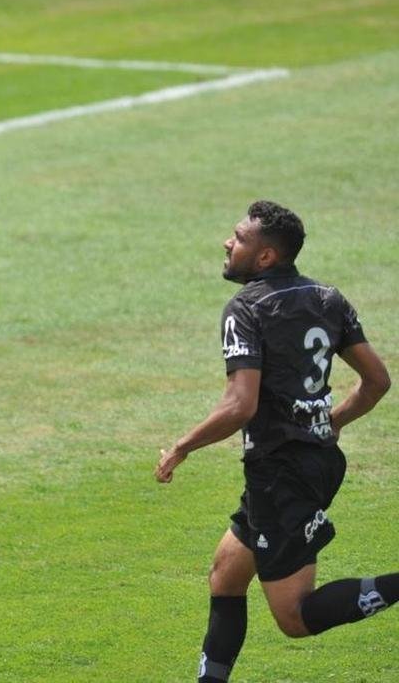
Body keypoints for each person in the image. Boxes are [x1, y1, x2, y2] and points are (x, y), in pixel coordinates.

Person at [155, 200, 394, 682]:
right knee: (226, 574)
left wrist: (183, 446)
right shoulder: (328, 298)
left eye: (239, 238)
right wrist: (333, 421)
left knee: (295, 617)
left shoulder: (245, 308)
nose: (228, 242)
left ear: (265, 257)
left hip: (282, 472)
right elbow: (377, 381)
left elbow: (240, 405)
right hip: (308, 461)